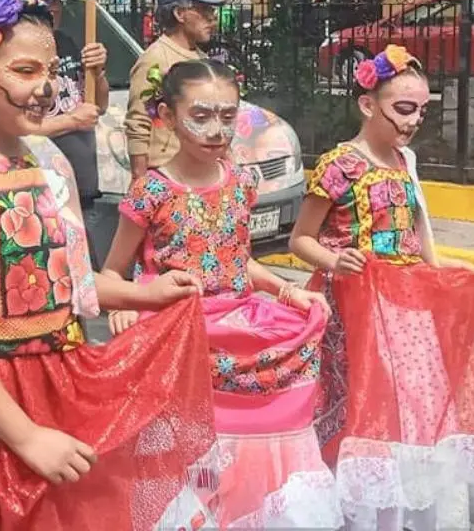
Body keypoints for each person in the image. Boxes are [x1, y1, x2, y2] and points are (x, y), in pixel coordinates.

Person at [0, 0, 222, 530]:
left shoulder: (48, 164)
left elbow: (68, 282)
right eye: (25, 71)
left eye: (52, 71)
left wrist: (143, 294)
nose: (45, 88)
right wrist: (27, 436)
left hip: (58, 388)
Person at [103, 59, 341, 528]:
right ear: (167, 116)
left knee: (260, 431)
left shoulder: (241, 183)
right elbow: (111, 272)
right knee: (195, 452)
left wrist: (286, 291)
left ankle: (247, 511)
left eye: (228, 116)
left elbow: (236, 259)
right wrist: (126, 303)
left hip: (239, 322)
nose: (216, 130)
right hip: (179, 331)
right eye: (201, 116)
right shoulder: (151, 192)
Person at [289, 45, 474, 529]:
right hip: (350, 309)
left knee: (408, 405)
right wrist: (334, 260)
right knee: (354, 404)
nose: (413, 122)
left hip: (403, 307)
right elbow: (300, 239)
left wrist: (443, 267)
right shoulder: (339, 165)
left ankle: (397, 505)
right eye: (404, 108)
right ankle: (351, 508)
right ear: (368, 104)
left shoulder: (404, 160)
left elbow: (419, 231)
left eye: (422, 111)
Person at [39, 0, 110, 265]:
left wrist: (98, 73)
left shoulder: (67, 42)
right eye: (44, 0)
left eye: (56, 0)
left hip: (82, 184)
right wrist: (70, 121)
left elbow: (98, 106)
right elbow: (15, 126)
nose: (53, 7)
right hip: (45, 189)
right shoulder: (18, 57)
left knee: (86, 271)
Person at [125, 0, 222, 179]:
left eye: (212, 11)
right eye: (203, 10)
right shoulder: (156, 58)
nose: (212, 19)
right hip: (167, 174)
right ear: (179, 14)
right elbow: (138, 122)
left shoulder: (202, 59)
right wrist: (140, 179)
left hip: (199, 172)